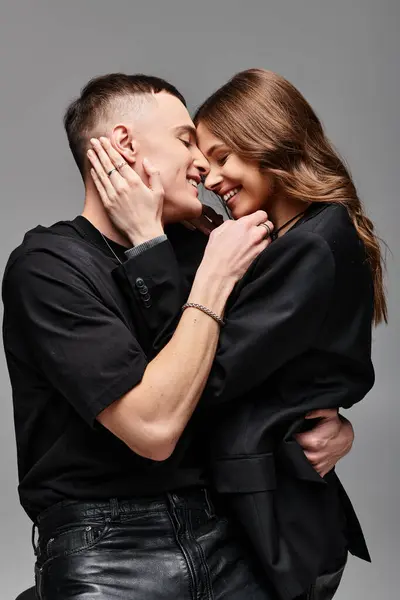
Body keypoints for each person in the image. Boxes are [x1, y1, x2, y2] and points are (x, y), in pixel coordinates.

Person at [2, 74, 354, 600]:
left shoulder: (209, 245)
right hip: (111, 552)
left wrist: (328, 427)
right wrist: (211, 278)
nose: (202, 167)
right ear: (125, 146)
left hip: (242, 537)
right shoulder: (49, 267)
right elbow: (154, 426)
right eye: (186, 140)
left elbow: (261, 375)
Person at [86, 69, 386, 600]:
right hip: (264, 515)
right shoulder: (282, 240)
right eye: (203, 157)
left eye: (223, 157)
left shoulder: (313, 245)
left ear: (271, 140)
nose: (209, 176)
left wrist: (148, 245)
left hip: (279, 526)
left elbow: (210, 376)